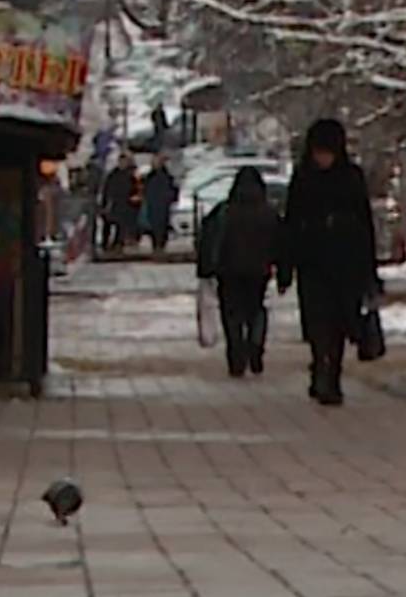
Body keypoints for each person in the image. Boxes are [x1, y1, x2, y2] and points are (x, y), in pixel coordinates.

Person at [278, 119, 380, 407]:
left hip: (346, 265)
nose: (322, 159)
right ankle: (320, 367)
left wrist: (370, 270)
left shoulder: (351, 178)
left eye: (327, 152)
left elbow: (365, 223)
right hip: (312, 264)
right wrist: (286, 267)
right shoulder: (303, 178)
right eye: (318, 152)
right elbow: (291, 223)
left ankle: (330, 372)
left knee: (340, 322)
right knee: (317, 322)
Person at [197, 168, 281, 378]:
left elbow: (208, 239)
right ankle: (255, 344)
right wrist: (283, 271)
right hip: (259, 271)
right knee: (256, 309)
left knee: (232, 313)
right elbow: (281, 243)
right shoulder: (268, 213)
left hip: (229, 271)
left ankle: (236, 356)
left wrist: (206, 268)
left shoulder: (225, 211)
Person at [96, 156, 138, 258]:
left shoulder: (129, 176)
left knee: (121, 226)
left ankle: (118, 245)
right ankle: (105, 244)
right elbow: (107, 190)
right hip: (113, 203)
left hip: (124, 204)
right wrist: (105, 204)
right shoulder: (113, 175)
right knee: (108, 224)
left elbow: (134, 189)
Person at [142, 156, 179, 252]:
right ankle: (156, 245)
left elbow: (173, 190)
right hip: (152, 204)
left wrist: (170, 199)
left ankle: (160, 245)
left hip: (162, 205)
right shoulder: (149, 176)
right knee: (153, 226)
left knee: (161, 226)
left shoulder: (166, 177)